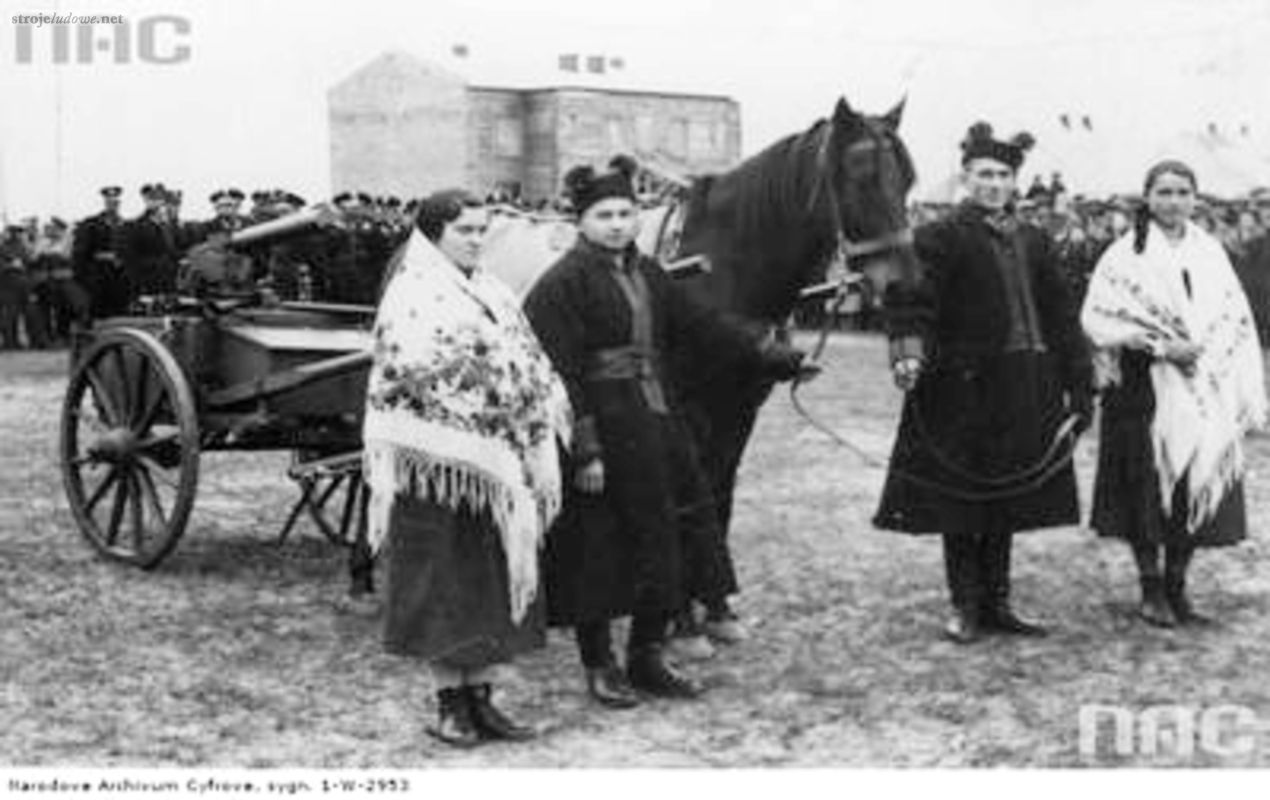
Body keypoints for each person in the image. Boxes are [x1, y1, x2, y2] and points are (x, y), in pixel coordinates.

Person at [523, 156, 810, 707]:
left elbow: (701, 326)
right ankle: (600, 664)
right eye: (603, 214)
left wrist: (767, 353)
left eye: (625, 213)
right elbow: (557, 372)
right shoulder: (562, 283)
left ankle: (647, 654)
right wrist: (586, 451)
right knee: (599, 546)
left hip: (655, 418)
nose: (616, 224)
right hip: (601, 428)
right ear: (581, 220)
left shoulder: (650, 273)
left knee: (672, 530)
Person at [362, 189, 572, 748]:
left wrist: (529, 403)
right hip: (440, 461)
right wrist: (489, 400)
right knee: (445, 580)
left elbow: (525, 353)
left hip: (497, 459)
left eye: (482, 231)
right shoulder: (413, 288)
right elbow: (414, 362)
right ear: (435, 234)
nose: (477, 240)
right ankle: (449, 703)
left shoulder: (494, 289)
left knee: (490, 575)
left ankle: (482, 697)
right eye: (465, 232)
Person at [874, 122, 1094, 644]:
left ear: (1016, 182)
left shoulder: (1035, 240)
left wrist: (1079, 382)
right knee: (962, 497)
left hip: (1026, 383)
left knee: (1009, 493)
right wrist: (908, 354)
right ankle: (965, 604)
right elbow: (910, 301)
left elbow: (1061, 315)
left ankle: (999, 601)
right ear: (966, 178)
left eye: (1003, 175)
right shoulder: (938, 237)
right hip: (964, 387)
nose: (993, 184)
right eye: (983, 175)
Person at [1081, 160, 1267, 627]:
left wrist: (1208, 353)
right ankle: (1150, 587)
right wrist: (1161, 345)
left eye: (1183, 192)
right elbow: (1101, 316)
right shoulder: (1124, 254)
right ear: (1147, 197)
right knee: (1145, 487)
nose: (1173, 201)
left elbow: (1232, 313)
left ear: (1195, 199)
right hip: (1143, 386)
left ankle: (1178, 586)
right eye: (1163, 192)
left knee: (1190, 488)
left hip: (1203, 382)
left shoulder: (1210, 251)